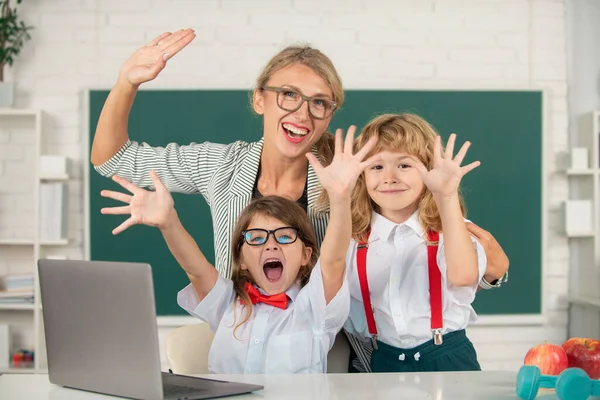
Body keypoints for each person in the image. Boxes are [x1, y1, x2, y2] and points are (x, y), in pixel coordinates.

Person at [90, 29, 509, 371]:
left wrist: (491, 270)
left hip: (340, 355)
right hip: (247, 340)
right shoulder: (221, 165)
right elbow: (112, 160)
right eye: (288, 95)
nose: (302, 113)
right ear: (260, 99)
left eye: (319, 103)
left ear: (331, 115)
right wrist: (127, 81)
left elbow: (417, 210)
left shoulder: (347, 166)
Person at [99, 127, 379, 373]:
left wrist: (340, 198)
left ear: (306, 256)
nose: (270, 244)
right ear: (241, 260)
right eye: (256, 238)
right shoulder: (226, 304)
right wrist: (168, 223)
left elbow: (333, 260)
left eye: (284, 237)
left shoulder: (315, 308)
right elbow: (195, 268)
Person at [344, 113, 486, 372]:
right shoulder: (352, 241)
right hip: (382, 361)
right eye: (376, 167)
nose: (390, 177)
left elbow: (465, 276)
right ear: (360, 177)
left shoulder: (451, 227)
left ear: (430, 170)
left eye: (404, 165)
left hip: (449, 358)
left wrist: (446, 196)